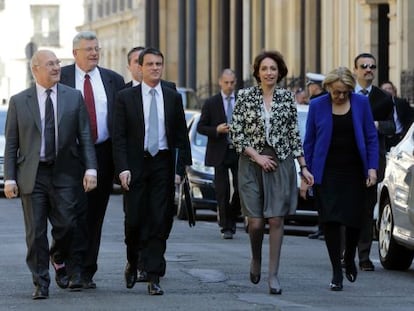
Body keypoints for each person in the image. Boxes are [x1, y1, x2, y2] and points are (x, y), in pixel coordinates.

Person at [3, 50, 97, 299]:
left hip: (65, 172)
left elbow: (85, 136)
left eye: (57, 63)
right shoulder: (19, 101)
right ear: (35, 69)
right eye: (50, 64)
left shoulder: (73, 97)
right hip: (33, 175)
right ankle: (41, 282)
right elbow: (12, 143)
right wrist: (9, 178)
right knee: (35, 233)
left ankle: (57, 255)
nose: (57, 67)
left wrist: (91, 169)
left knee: (67, 224)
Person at [230, 50, 313, 295]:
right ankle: (256, 257)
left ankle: (273, 275)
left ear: (280, 72)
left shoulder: (287, 99)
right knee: (255, 222)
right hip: (251, 162)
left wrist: (304, 167)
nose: (269, 73)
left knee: (276, 218)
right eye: (265, 68)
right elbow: (237, 133)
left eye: (273, 69)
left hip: (280, 162)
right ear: (257, 72)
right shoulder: (245, 96)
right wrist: (257, 156)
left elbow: (293, 135)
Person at [113, 47, 191, 295]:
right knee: (134, 220)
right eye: (150, 64)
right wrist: (122, 168)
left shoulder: (172, 96)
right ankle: (133, 261)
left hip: (163, 164)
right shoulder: (126, 97)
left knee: (159, 219)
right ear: (140, 68)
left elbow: (181, 137)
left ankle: (154, 276)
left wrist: (179, 170)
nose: (155, 68)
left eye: (159, 64)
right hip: (136, 165)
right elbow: (119, 138)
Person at [302, 67, 379, 291]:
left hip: (355, 171)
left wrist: (372, 169)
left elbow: (371, 138)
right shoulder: (318, 105)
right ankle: (337, 271)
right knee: (331, 222)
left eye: (345, 92)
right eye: (337, 92)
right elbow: (310, 141)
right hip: (327, 172)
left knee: (354, 221)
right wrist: (305, 173)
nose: (341, 96)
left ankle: (350, 257)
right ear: (328, 88)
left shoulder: (361, 104)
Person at [59, 30, 125, 289]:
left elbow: (120, 125)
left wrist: (122, 164)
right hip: (69, 155)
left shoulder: (113, 80)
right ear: (76, 53)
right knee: (70, 214)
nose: (94, 53)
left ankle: (85, 270)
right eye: (89, 49)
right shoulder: (62, 76)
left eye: (96, 48)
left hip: (102, 155)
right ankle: (66, 261)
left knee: (94, 215)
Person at [353, 53, 395, 272]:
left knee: (367, 210)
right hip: (347, 160)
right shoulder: (346, 94)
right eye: (364, 66)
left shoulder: (383, 98)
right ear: (356, 70)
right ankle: (345, 253)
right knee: (345, 208)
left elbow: (392, 128)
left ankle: (364, 256)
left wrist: (375, 125)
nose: (368, 70)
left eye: (372, 66)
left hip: (371, 159)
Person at [197, 68, 241, 239]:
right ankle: (226, 226)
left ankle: (232, 215)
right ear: (220, 82)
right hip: (219, 152)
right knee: (222, 190)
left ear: (235, 82)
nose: (229, 86)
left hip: (238, 151)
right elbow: (201, 127)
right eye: (226, 83)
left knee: (240, 189)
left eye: (232, 83)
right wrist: (216, 129)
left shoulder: (242, 101)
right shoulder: (211, 102)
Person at [305, 72, 327, 240]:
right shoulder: (316, 102)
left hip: (323, 156)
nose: (309, 89)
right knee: (319, 196)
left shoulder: (318, 102)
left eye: (310, 86)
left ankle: (324, 227)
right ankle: (322, 226)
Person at [380, 80, 414, 149]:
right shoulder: (378, 105)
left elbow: (410, 120)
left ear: (394, 90)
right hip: (384, 139)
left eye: (389, 88)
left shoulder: (402, 103)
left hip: (399, 137)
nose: (387, 91)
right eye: (385, 89)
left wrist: (404, 135)